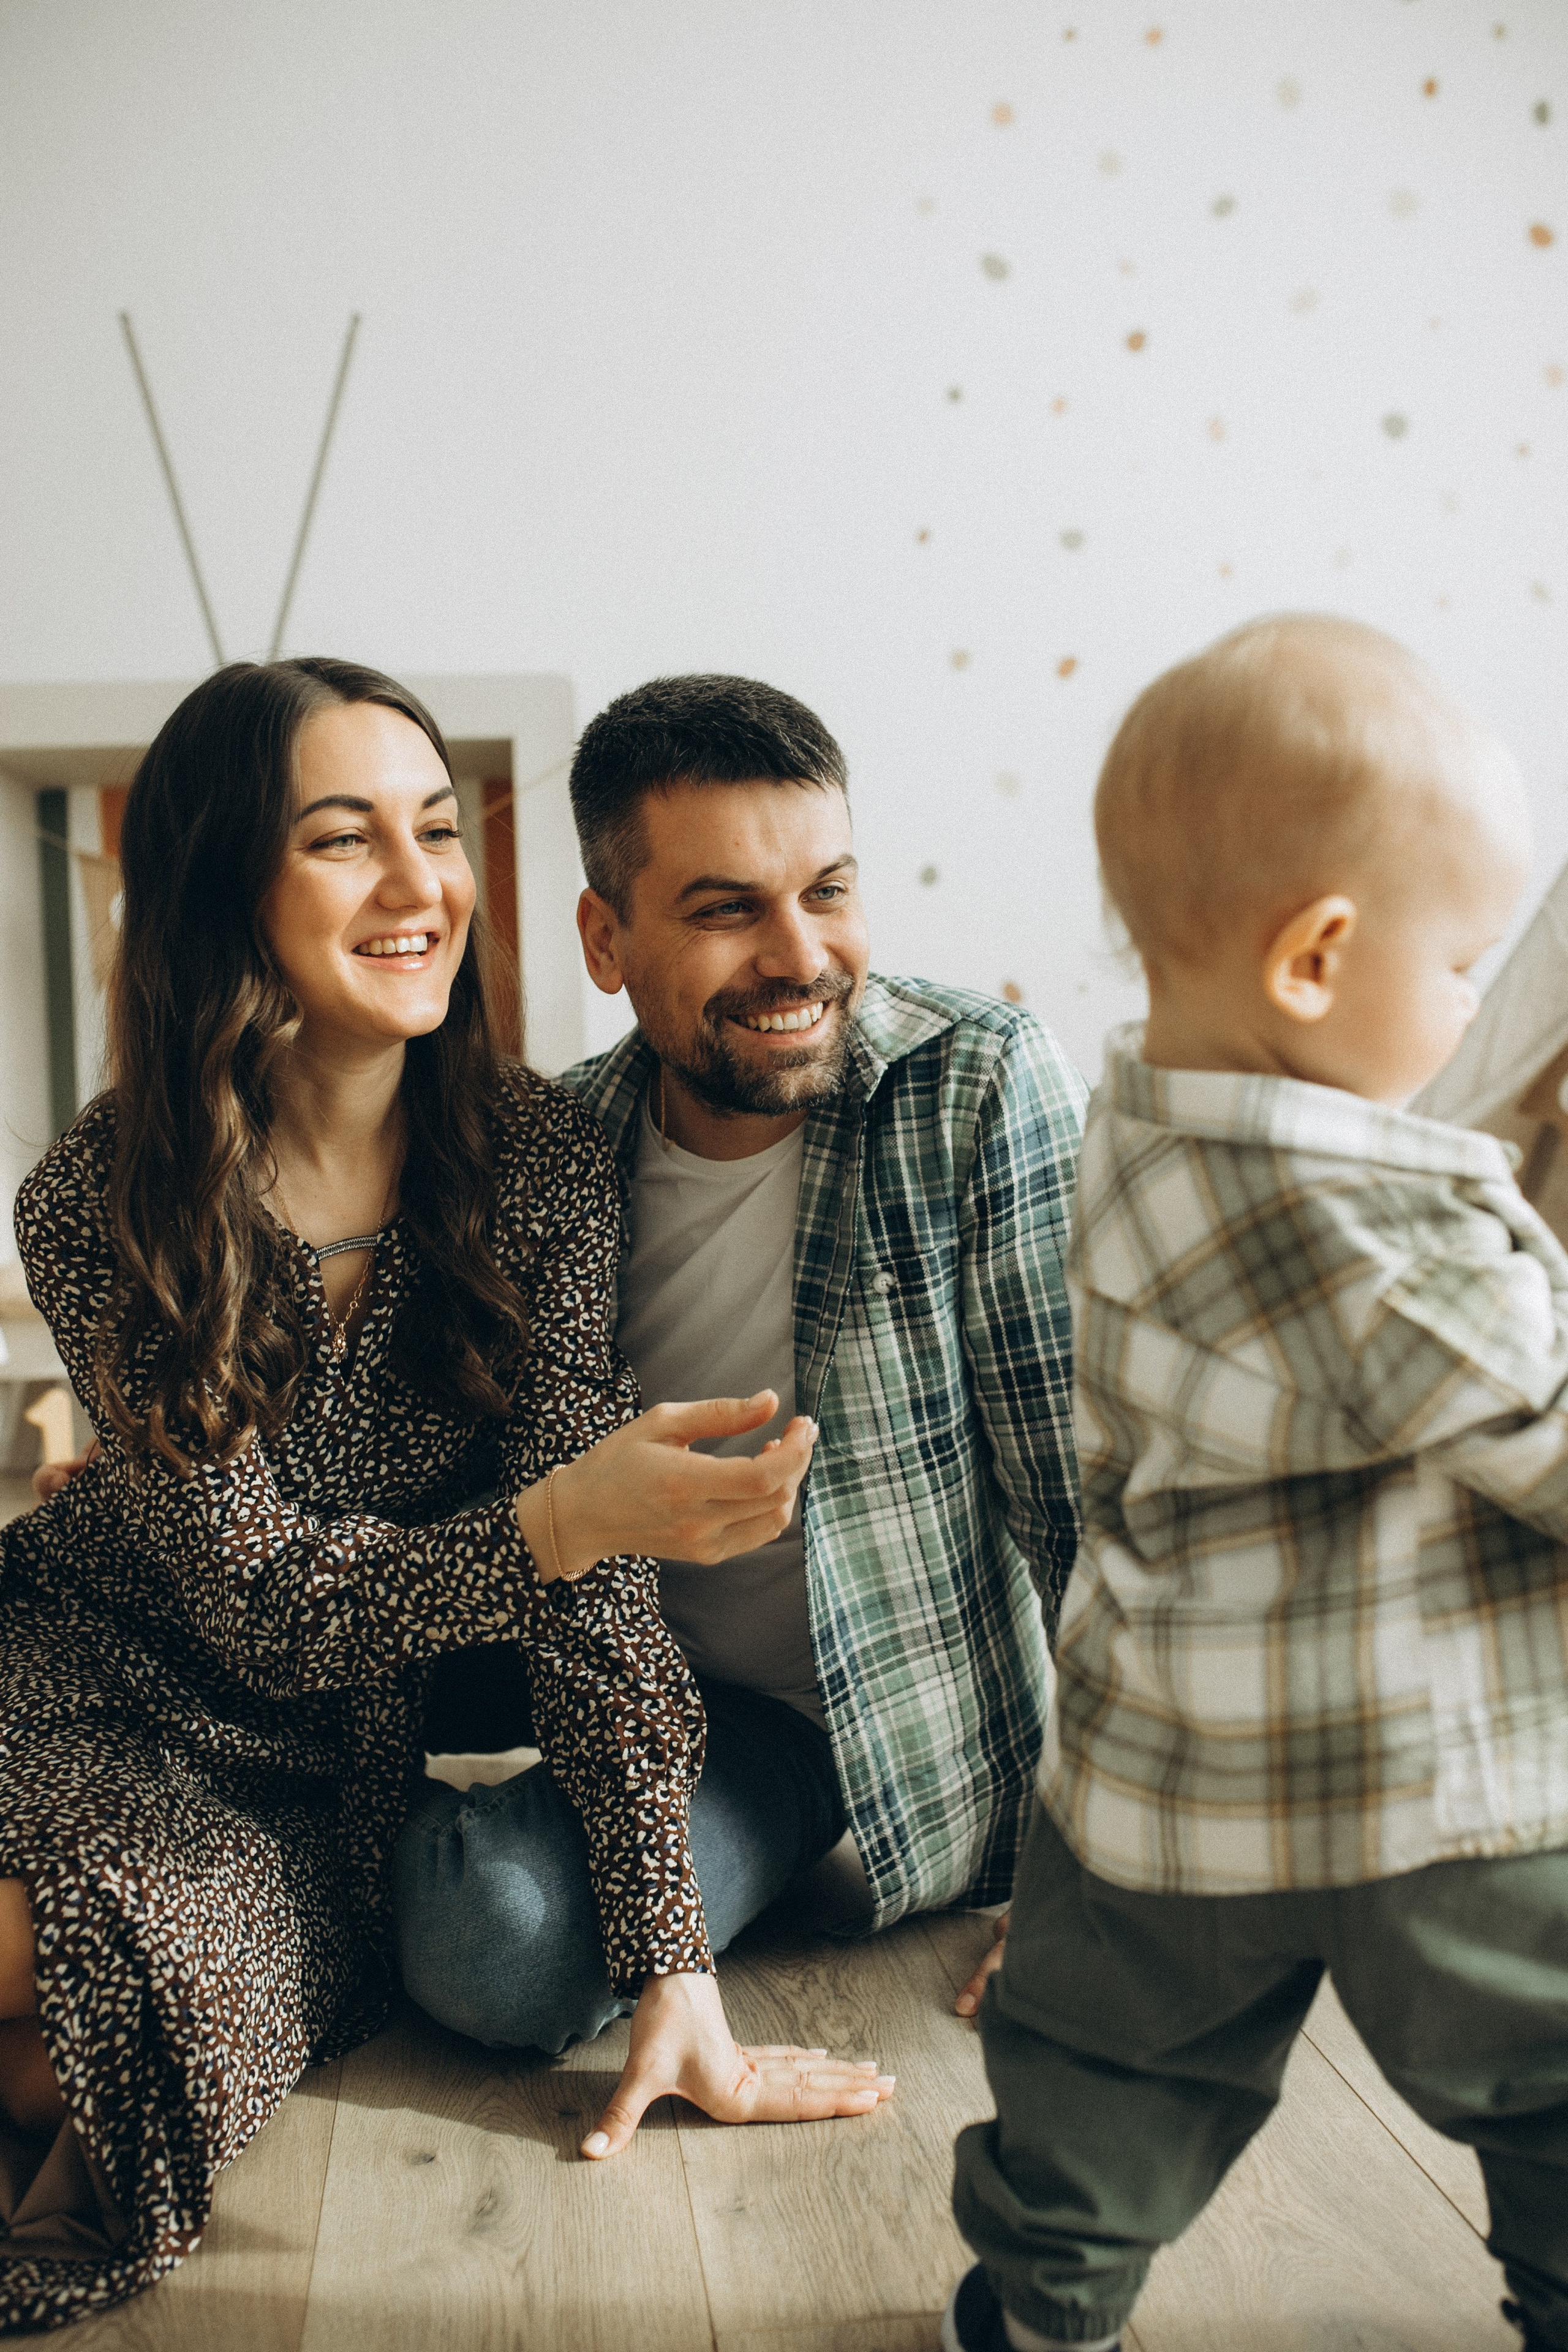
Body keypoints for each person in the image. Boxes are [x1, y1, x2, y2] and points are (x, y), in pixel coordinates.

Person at [0, 660, 891, 2334]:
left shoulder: (535, 1162)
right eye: (346, 840)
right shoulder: (99, 1195)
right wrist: (564, 1521)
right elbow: (261, 1602)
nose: (421, 887)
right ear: (221, 885)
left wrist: (672, 1971)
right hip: (83, 1671)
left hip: (322, 1765)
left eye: (437, 830)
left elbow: (597, 1600)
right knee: (38, 1946)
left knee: (118, 2020)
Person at [946, 616, 1568, 2352]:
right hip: (1439, 1797)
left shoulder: (1136, 1135)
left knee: (1100, 2069)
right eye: (1463, 967)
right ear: (1316, 960)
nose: (1471, 1007)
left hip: (1165, 1789)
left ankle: (1046, 2300)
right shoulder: (1369, 1223)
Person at [396, 673, 1086, 2053]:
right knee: (463, 1915)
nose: (798, 956)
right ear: (607, 940)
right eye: (726, 911)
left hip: (860, 1718)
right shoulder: (553, 1148)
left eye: (827, 891)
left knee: (493, 1944)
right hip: (633, 1691)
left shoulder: (976, 1083)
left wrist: (1111, 1865)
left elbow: (1086, 1502)